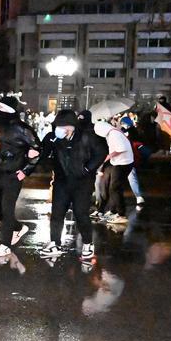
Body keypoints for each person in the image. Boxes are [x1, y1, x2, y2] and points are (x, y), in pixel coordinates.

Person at [39, 110, 107, 260]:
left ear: (71, 126)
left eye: (61, 126)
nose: (58, 129)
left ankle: (88, 243)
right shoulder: (53, 138)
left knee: (80, 213)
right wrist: (39, 154)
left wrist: (87, 169)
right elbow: (43, 153)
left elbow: (101, 152)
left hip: (82, 182)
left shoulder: (86, 137)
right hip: (62, 181)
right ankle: (55, 243)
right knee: (57, 213)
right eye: (57, 125)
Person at [0, 96, 41, 257]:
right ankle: (18, 227)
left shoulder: (22, 129)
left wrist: (26, 170)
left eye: (2, 108)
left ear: (10, 110)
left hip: (13, 175)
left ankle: (5, 244)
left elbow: (38, 150)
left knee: (7, 209)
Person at [94, 120, 134, 224]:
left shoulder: (114, 134)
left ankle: (121, 214)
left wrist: (107, 157)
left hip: (123, 163)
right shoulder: (111, 133)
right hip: (117, 163)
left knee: (115, 188)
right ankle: (114, 211)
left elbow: (121, 149)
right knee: (111, 187)